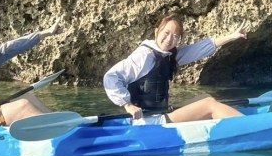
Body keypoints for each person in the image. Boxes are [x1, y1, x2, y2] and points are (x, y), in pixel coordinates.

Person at [103, 14, 249, 124]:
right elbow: (111, 77)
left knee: (206, 98)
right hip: (147, 122)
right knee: (209, 105)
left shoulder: (168, 55)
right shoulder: (144, 56)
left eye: (175, 36)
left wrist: (232, 36)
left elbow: (200, 49)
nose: (169, 39)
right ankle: (249, 126)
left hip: (158, 114)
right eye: (166, 33)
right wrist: (127, 105)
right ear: (156, 32)